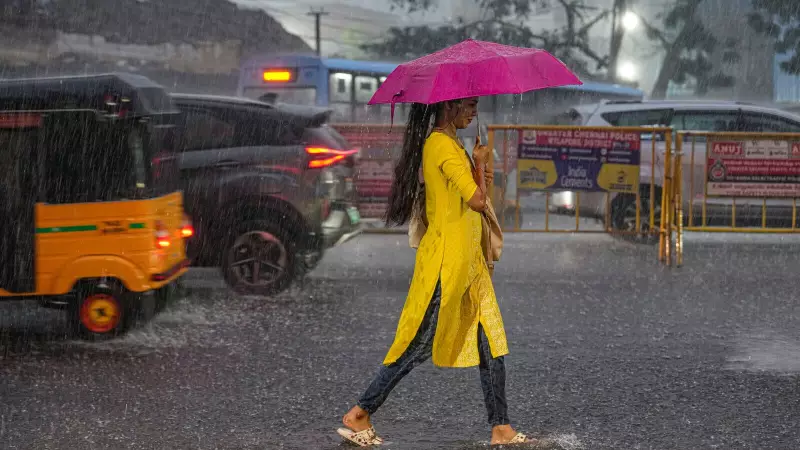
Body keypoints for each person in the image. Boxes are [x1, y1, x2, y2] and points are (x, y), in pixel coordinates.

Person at [337, 97, 535, 447]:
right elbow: (476, 201)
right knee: (419, 344)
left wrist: (480, 168)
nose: (474, 111)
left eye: (476, 104)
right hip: (447, 264)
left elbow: (473, 198)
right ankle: (361, 412)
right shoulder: (440, 145)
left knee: (492, 343)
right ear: (449, 106)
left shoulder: (454, 144)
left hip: (470, 264)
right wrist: (479, 165)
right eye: (469, 105)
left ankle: (501, 427)